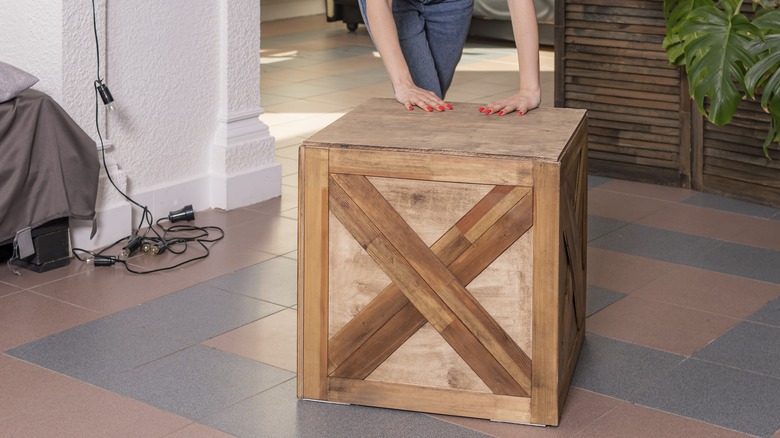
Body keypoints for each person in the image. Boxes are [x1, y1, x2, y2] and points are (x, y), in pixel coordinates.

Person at [358, 0, 541, 116]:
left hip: (452, 3)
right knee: (423, 102)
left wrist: (529, 89)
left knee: (431, 99)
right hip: (395, 4)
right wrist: (403, 83)